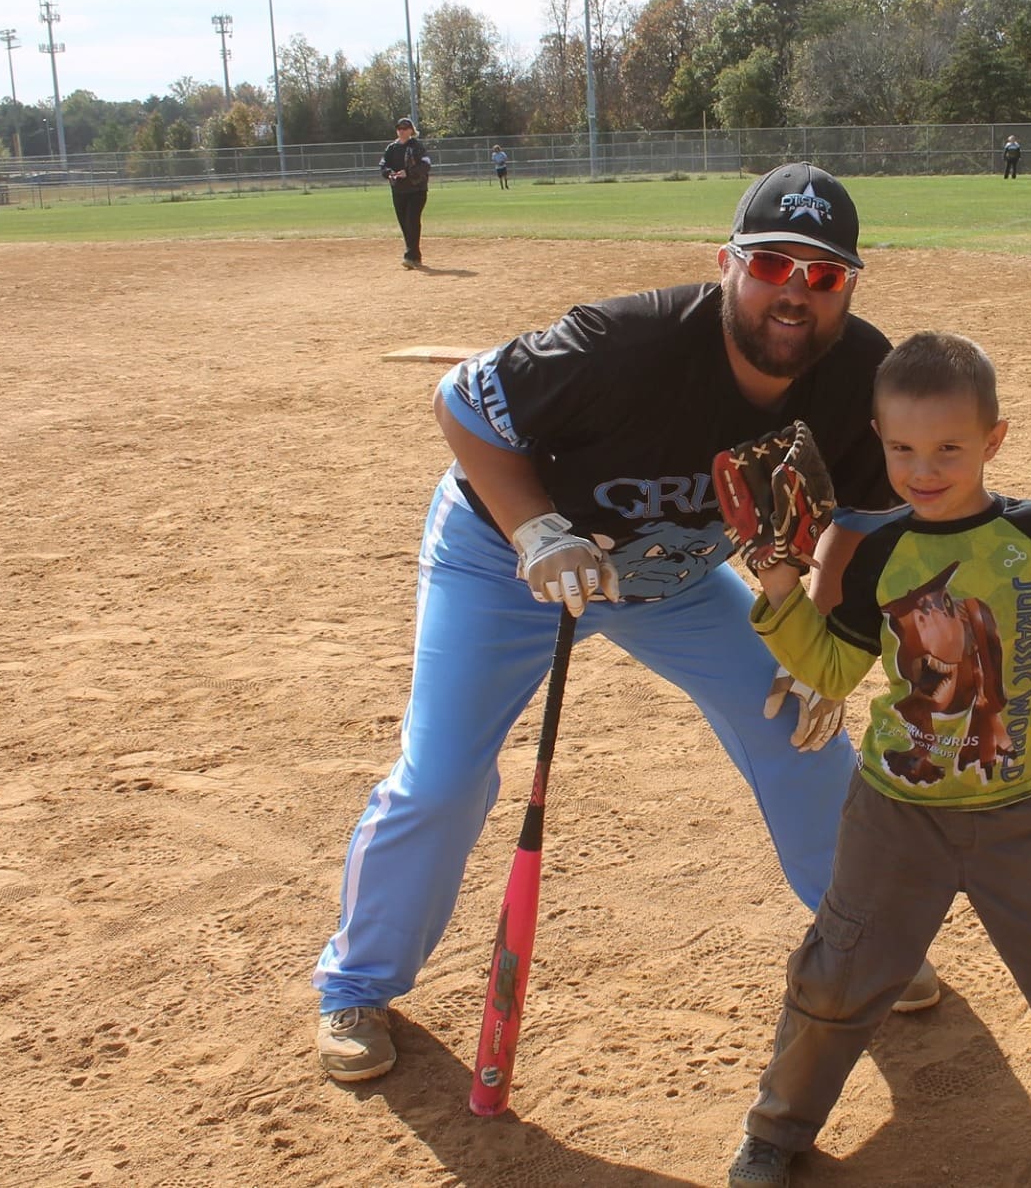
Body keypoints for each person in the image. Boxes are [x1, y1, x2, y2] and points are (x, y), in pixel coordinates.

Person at [312, 162, 941, 1084]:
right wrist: (535, 528)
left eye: (823, 274)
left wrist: (819, 640)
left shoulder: (857, 374)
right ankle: (357, 983)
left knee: (798, 727)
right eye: (772, 264)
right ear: (727, 264)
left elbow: (864, 515)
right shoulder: (626, 342)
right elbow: (463, 399)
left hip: (675, 579)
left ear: (848, 287)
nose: (795, 292)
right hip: (507, 564)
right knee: (443, 778)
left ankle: (864, 941)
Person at [724, 332, 1031, 1187]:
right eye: (901, 448)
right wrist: (780, 587)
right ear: (877, 437)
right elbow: (832, 671)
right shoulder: (879, 553)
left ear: (993, 440)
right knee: (837, 976)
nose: (922, 469)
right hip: (895, 812)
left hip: (1011, 811)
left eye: (948, 448)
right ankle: (777, 1127)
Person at [381, 117, 433, 268]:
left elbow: (426, 165)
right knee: (404, 223)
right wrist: (389, 173)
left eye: (405, 128)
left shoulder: (416, 146)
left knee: (411, 221)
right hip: (398, 190)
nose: (402, 131)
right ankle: (415, 256)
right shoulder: (391, 148)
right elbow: (383, 165)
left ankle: (410, 256)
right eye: (399, 128)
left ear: (411, 130)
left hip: (417, 190)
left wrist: (408, 173)